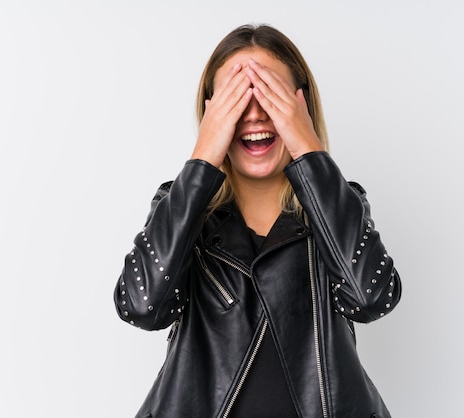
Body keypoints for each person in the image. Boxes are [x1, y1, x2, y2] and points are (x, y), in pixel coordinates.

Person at [114, 24, 401, 418]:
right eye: (236, 99)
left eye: (269, 95)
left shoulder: (338, 207)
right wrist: (201, 160)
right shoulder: (180, 208)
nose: (253, 115)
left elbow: (370, 298)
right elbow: (142, 306)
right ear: (212, 114)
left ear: (301, 108)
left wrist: (307, 145)